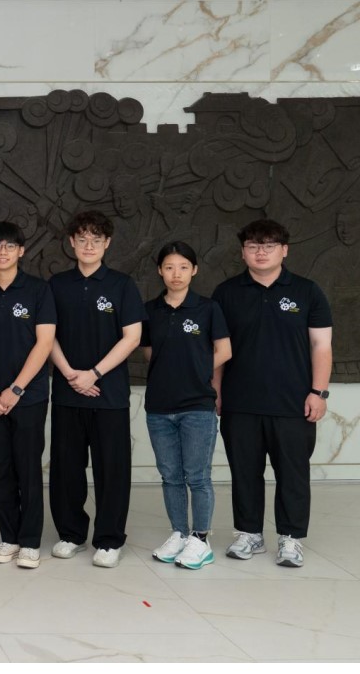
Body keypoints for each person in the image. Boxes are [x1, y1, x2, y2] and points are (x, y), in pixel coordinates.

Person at [213, 219, 333, 567]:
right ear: (243, 252)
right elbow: (217, 348)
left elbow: (321, 346)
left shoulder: (307, 291)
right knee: (244, 472)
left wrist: (319, 392)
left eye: (268, 245)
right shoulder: (226, 293)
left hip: (293, 403)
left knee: (293, 473)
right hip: (240, 402)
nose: (261, 252)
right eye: (253, 246)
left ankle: (290, 538)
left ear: (284, 250)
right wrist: (215, 390)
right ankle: (249, 534)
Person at [48, 210, 143, 568]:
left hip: (110, 394)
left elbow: (132, 337)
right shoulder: (57, 285)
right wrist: (71, 374)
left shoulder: (122, 285)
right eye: (82, 239)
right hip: (68, 391)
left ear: (107, 243)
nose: (89, 245)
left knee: (112, 470)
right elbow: (47, 335)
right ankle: (71, 534)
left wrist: (95, 373)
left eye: (96, 239)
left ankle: (109, 539)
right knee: (66, 468)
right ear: (72, 242)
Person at [141, 241, 231, 570]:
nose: (175, 274)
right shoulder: (150, 310)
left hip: (197, 406)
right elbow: (149, 352)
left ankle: (200, 539)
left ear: (194, 270)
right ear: (160, 271)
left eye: (182, 267)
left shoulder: (208, 308)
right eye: (169, 267)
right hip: (159, 407)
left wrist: (196, 372)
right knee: (170, 476)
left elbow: (224, 350)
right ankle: (179, 533)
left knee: (197, 476)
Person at [0, 222, 56, 570]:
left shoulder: (38, 290)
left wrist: (17, 388)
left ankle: (30, 541)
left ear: (21, 251)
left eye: (10, 246)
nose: (3, 252)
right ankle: (9, 538)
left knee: (28, 467)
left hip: (29, 395)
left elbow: (45, 343)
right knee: (0, 469)